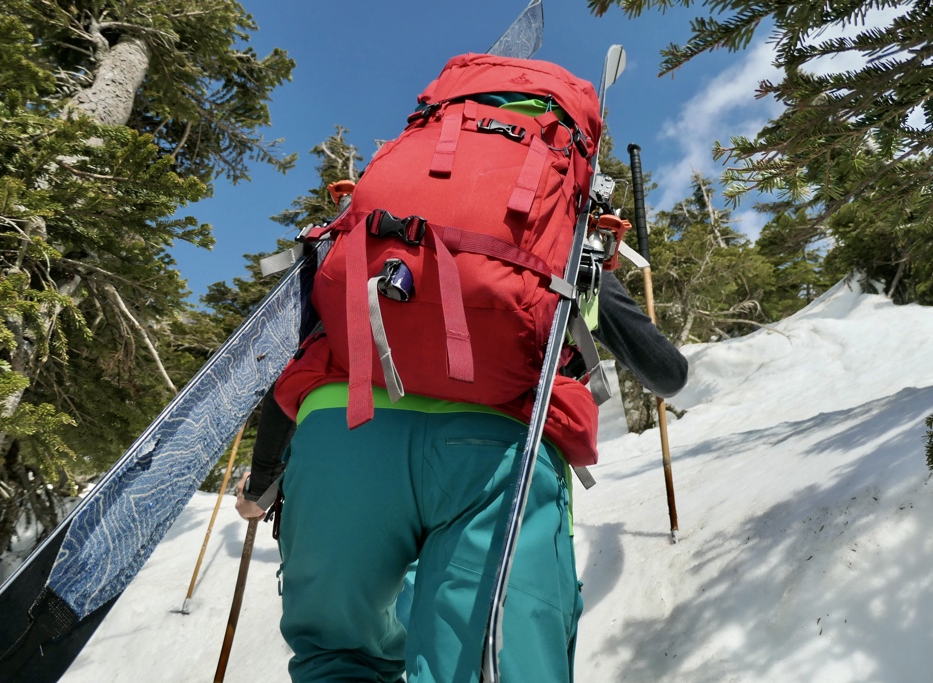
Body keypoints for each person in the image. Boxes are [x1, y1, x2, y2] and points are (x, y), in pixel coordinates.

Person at [236, 266, 687, 682]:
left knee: (339, 656)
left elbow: (293, 361)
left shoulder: (366, 233)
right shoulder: (564, 242)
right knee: (485, 657)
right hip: (498, 441)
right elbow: (668, 375)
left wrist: (260, 486)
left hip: (343, 427)